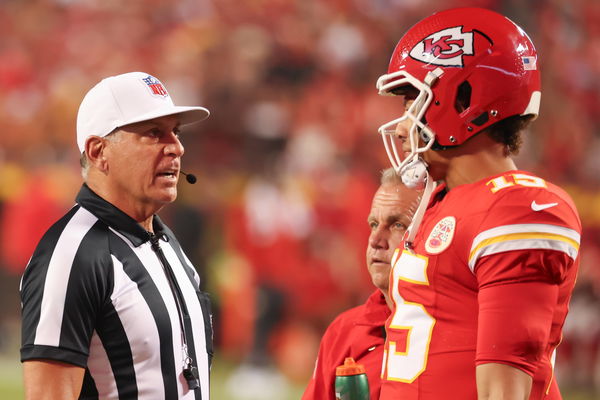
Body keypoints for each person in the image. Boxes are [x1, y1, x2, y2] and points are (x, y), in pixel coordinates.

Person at [374, 7, 581, 400]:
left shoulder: (520, 207)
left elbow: (504, 389)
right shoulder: (437, 201)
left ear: (463, 98)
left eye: (412, 102)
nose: (402, 126)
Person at [20, 72, 213, 400]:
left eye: (175, 132)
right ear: (98, 152)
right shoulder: (71, 255)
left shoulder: (165, 243)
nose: (177, 147)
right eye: (154, 133)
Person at [302, 168, 420, 400]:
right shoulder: (344, 331)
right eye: (374, 224)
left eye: (397, 225)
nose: (376, 240)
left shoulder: (466, 328)